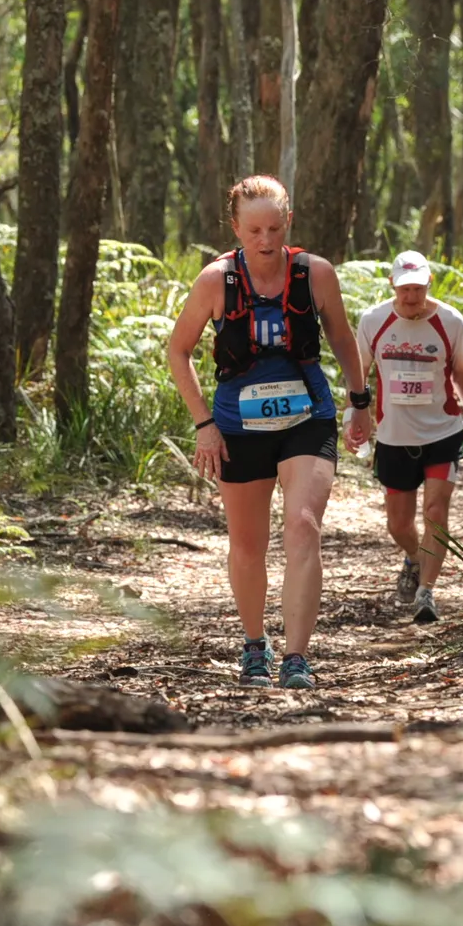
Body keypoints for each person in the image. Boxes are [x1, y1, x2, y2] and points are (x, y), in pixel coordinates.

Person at [167, 176, 372, 689]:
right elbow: (178, 351)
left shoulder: (314, 274)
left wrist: (360, 400)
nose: (265, 240)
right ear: (235, 227)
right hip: (237, 426)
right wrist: (204, 425)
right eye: (253, 229)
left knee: (303, 525)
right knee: (248, 542)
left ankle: (297, 657)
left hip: (308, 417)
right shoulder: (216, 281)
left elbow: (343, 338)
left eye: (274, 228)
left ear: (289, 223)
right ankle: (254, 645)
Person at [347, 251, 463, 625]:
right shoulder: (374, 321)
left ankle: (426, 592)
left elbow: (462, 372)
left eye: (418, 289)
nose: (412, 297)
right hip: (394, 436)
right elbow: (359, 374)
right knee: (399, 525)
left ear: (429, 285)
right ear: (393, 285)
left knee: (436, 512)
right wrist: (351, 416)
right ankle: (414, 557)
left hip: (442, 431)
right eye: (405, 289)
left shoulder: (449, 321)